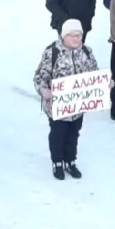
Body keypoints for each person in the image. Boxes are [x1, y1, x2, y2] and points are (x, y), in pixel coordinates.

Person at [33, 19, 100, 180]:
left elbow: (94, 74)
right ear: (64, 36)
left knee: (73, 134)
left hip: (78, 107)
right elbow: (40, 76)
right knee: (58, 135)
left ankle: (70, 161)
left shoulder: (86, 51)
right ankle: (57, 162)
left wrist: (105, 84)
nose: (77, 39)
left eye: (79, 35)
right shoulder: (52, 52)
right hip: (57, 108)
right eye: (73, 35)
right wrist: (44, 90)